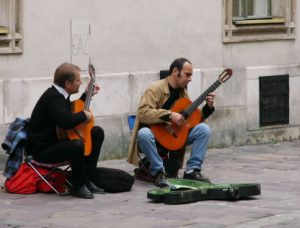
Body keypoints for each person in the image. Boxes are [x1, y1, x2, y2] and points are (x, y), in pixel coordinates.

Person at [128, 58, 216, 187]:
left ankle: (192, 170)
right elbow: (142, 113)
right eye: (187, 74)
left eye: (191, 75)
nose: (190, 78)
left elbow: (192, 121)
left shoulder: (183, 93)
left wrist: (208, 107)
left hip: (173, 137)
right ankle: (159, 173)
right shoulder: (155, 89)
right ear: (175, 71)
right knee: (144, 133)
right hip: (152, 138)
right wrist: (169, 115)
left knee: (204, 130)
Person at [27, 62, 105, 199]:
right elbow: (66, 121)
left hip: (58, 143)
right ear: (68, 83)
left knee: (97, 132)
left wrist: (87, 95)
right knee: (76, 145)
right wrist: (83, 115)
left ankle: (87, 179)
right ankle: (78, 185)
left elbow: (69, 110)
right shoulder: (53, 97)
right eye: (78, 80)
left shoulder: (60, 95)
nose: (81, 82)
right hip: (43, 150)